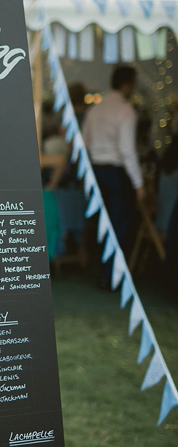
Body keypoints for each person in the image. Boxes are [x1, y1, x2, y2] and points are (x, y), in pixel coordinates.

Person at [82, 65, 144, 287]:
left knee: (101, 224)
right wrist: (139, 184)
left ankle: (103, 273)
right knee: (119, 226)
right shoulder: (126, 111)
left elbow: (85, 142)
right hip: (116, 174)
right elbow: (127, 150)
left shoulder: (95, 109)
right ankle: (111, 278)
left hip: (96, 172)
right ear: (127, 85)